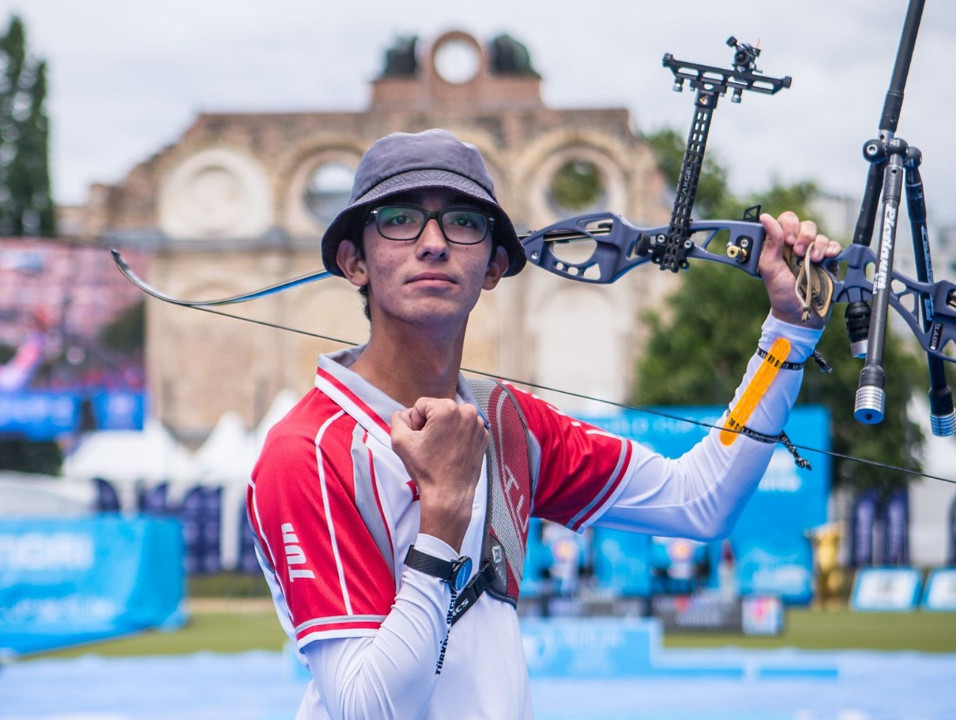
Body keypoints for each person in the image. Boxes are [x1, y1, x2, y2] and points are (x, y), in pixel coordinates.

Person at [246, 128, 839, 719]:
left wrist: (789, 332)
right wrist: (445, 513)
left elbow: (699, 502)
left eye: (464, 222)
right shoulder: (305, 450)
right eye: (399, 219)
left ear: (495, 266)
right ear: (354, 260)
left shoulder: (508, 423)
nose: (433, 243)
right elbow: (366, 710)